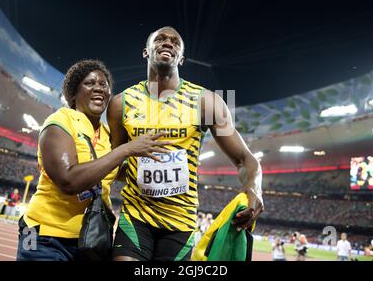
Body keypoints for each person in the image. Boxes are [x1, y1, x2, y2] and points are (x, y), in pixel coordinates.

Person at [108, 26, 264, 261]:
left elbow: (245, 159)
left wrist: (254, 188)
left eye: (175, 42)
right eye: (160, 39)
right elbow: (115, 162)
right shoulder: (121, 103)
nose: (168, 43)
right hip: (135, 216)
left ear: (181, 58)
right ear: (145, 52)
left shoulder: (207, 102)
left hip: (180, 222)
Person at [16, 60, 170, 261]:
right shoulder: (60, 122)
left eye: (104, 84)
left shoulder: (107, 135)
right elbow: (68, 181)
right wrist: (126, 149)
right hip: (42, 236)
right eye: (90, 83)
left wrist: (163, 161)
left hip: (92, 241)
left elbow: (116, 170)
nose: (99, 88)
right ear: (73, 92)